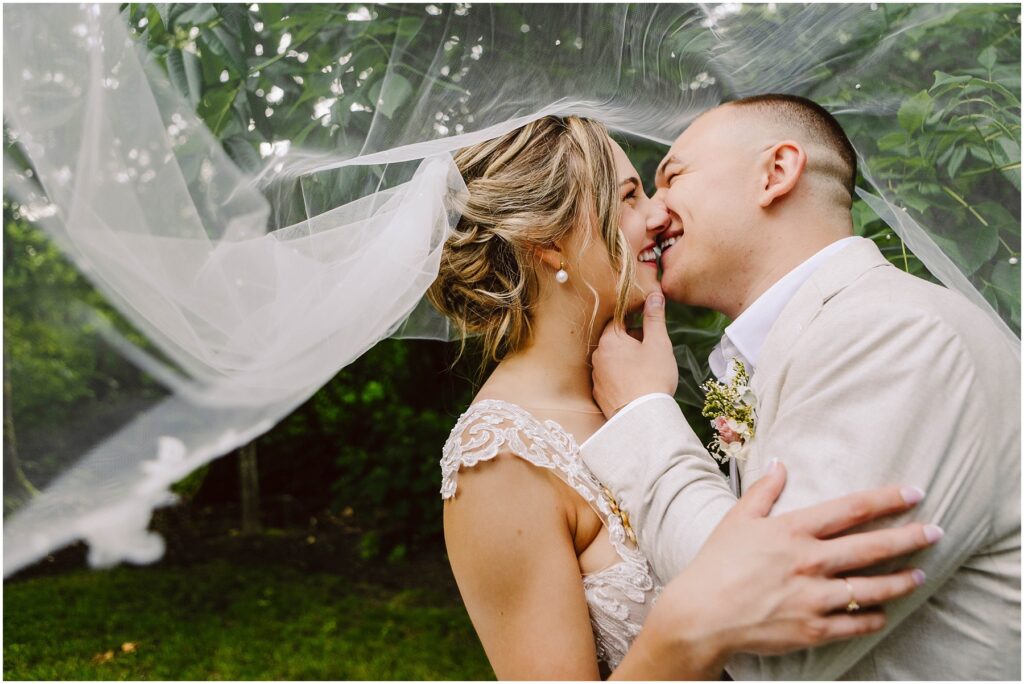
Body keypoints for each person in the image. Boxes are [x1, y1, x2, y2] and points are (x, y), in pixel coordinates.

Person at [427, 115, 941, 679]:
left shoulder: (635, 392)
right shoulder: (501, 454)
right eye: (628, 197)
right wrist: (690, 628)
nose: (658, 214)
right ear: (548, 245)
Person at [583, 95, 1021, 679]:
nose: (653, 216)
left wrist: (641, 415)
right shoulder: (827, 336)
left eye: (672, 178)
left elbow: (775, 649)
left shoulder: (897, 335)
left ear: (776, 173)